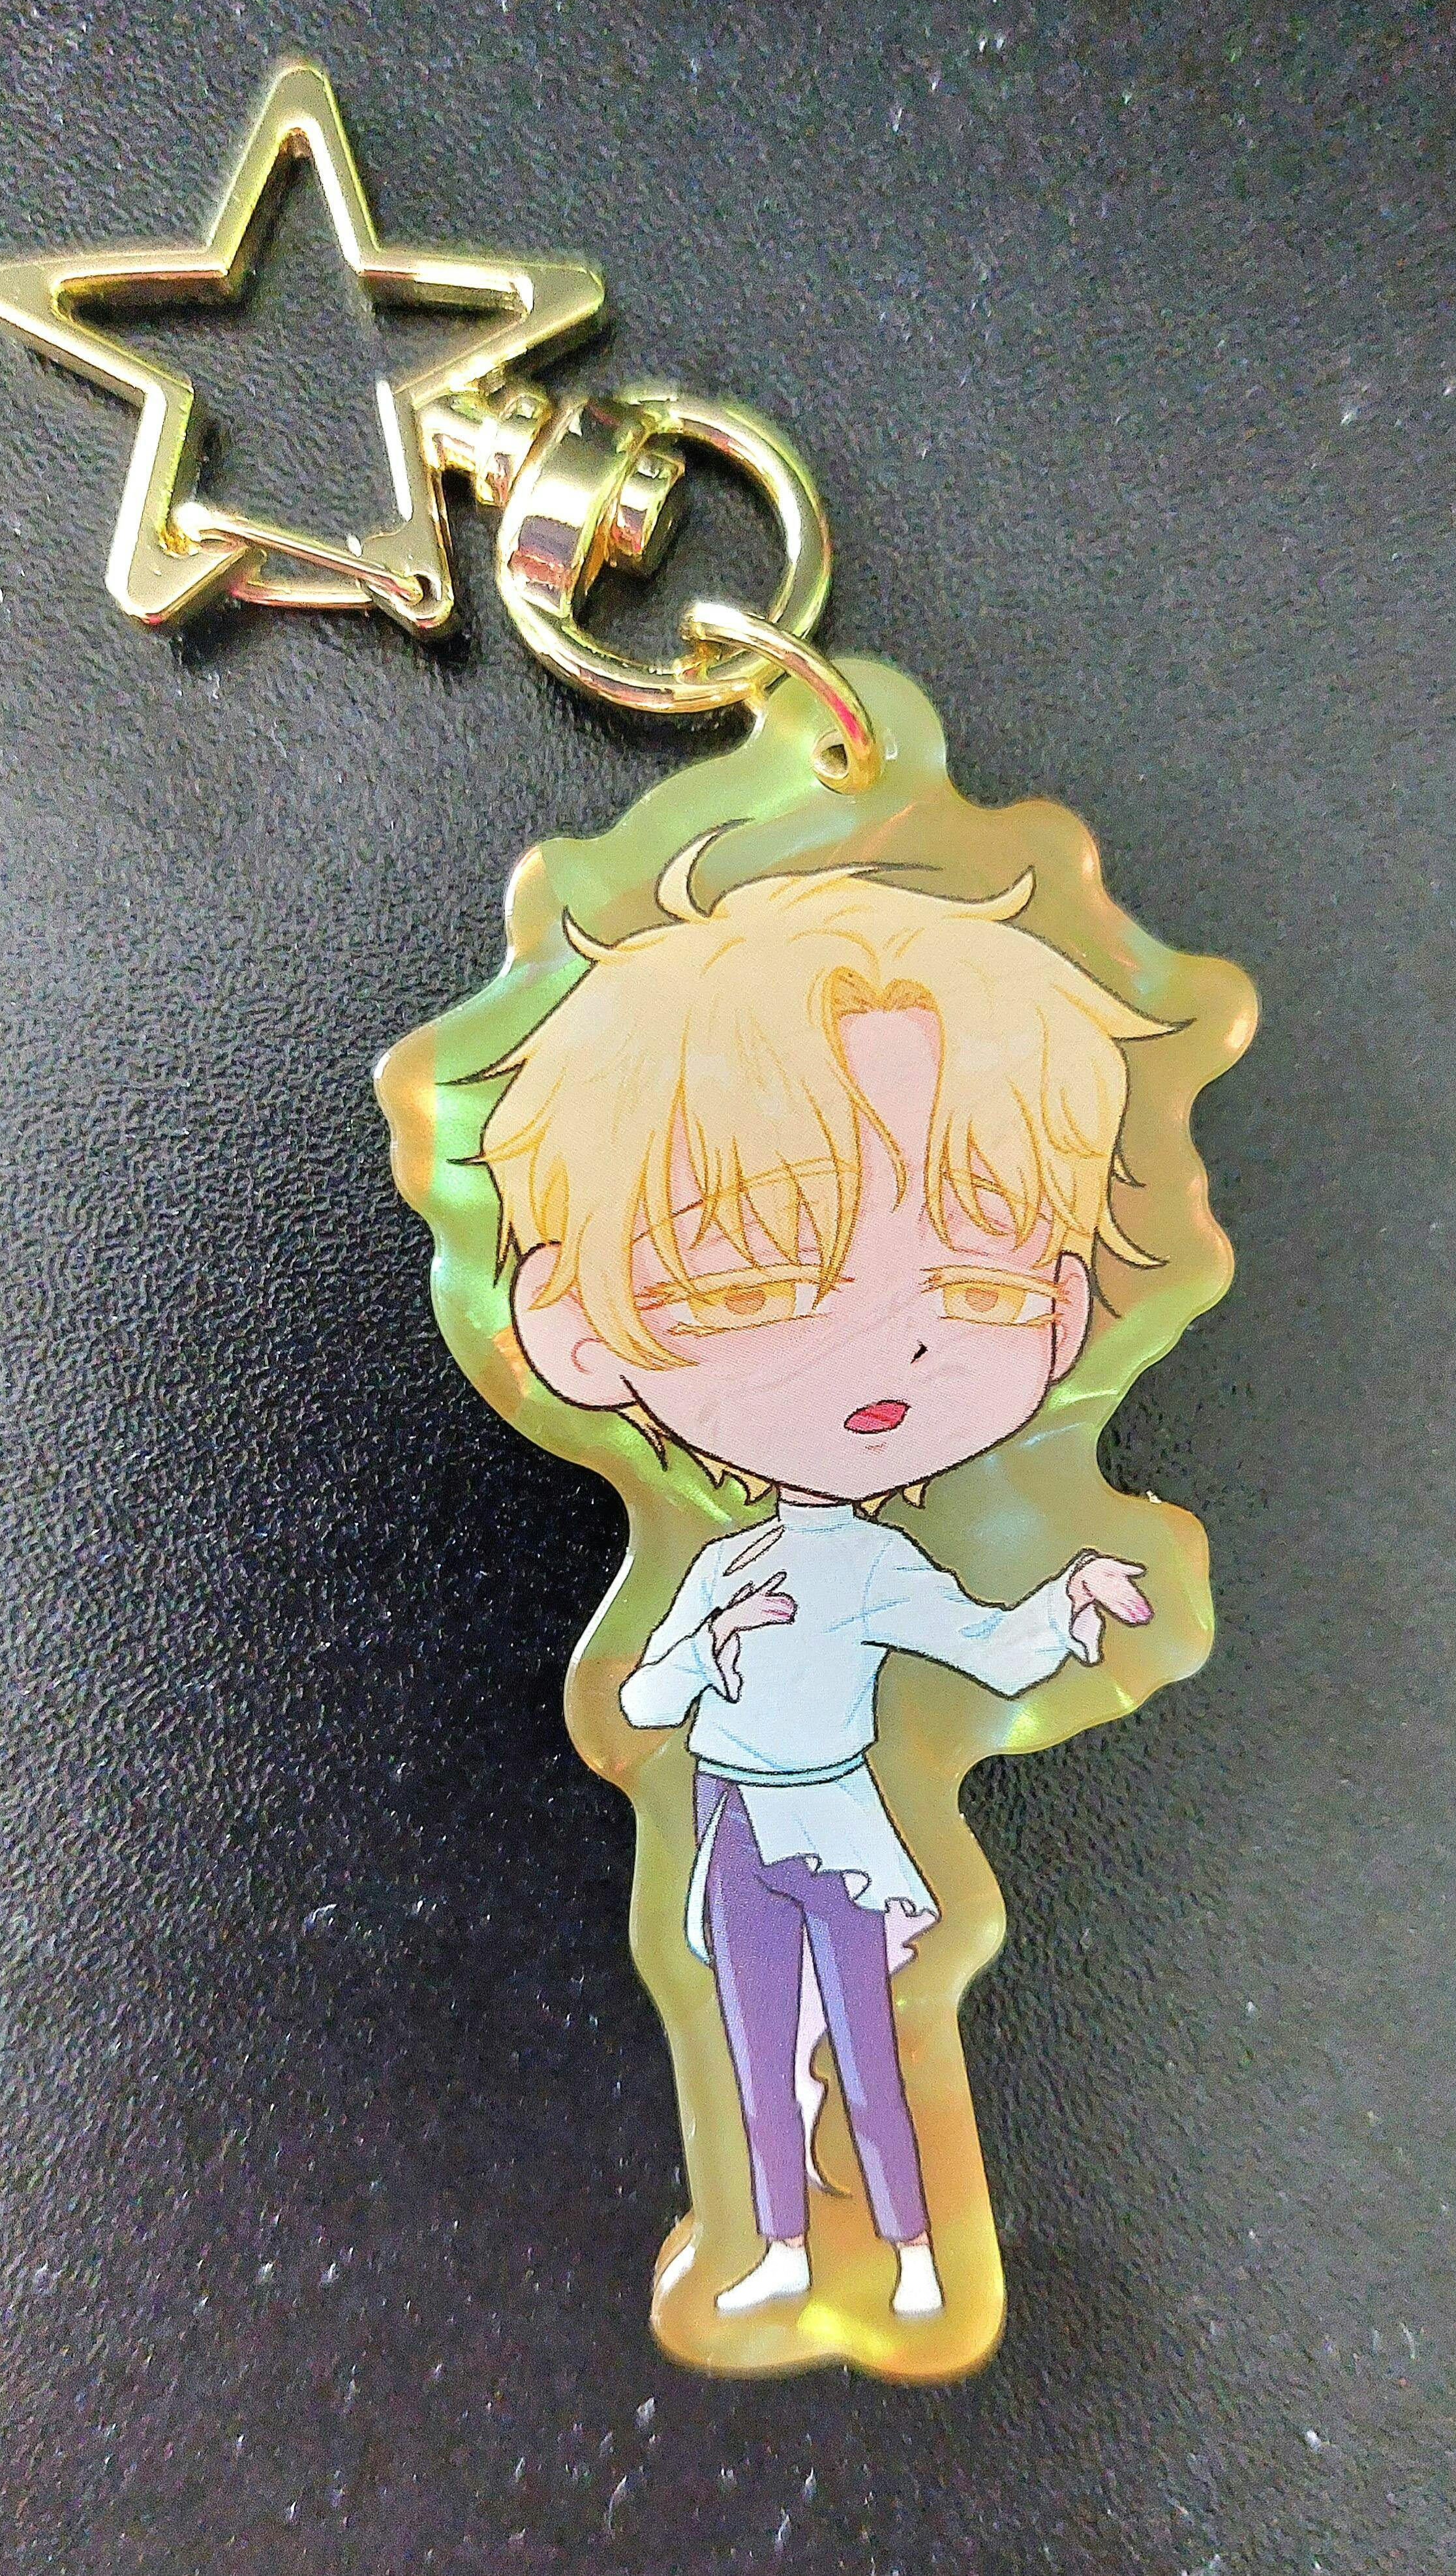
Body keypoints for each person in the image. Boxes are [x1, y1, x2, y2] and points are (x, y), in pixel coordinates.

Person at [481, 836, 1160, 2320]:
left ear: (1059, 1314)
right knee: (756, 2054)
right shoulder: (726, 1562)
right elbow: (640, 1707)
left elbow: (988, 1651)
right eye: (753, 1279)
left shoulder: (874, 1565)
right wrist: (704, 1637)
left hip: (839, 1828)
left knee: (870, 2044)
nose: (885, 1344)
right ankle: (782, 2248)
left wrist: (1071, 1601)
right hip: (733, 1824)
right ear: (574, 1328)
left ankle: (915, 2256)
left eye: (976, 1284)